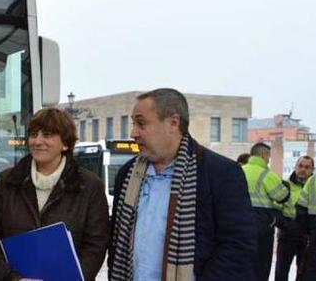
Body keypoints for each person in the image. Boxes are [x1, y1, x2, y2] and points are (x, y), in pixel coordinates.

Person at [109, 88, 256, 281]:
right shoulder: (128, 174)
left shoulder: (221, 173)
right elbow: (116, 242)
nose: (133, 132)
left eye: (141, 123)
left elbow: (238, 245)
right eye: (133, 123)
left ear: (173, 122)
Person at [0, 107, 109, 281]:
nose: (37, 141)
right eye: (33, 134)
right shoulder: (7, 181)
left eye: (47, 135)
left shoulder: (90, 186)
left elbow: (96, 245)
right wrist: (12, 279)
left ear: (65, 143)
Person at [242, 142, 291, 281]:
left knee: (241, 267)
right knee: (261, 268)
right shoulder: (267, 174)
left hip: (239, 227)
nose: (268, 160)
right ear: (264, 155)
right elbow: (282, 197)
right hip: (261, 228)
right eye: (268, 156)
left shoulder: (239, 170)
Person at [276, 156, 315, 281]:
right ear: (295, 167)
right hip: (287, 235)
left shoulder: (313, 186)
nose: (303, 169)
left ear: (312, 169)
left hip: (306, 237)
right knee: (281, 271)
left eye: (307, 167)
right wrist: (284, 225)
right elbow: (276, 208)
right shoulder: (285, 185)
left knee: (303, 272)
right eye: (300, 166)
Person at [297, 173, 316, 281]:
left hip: (314, 231)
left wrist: (308, 230)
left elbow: (301, 207)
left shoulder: (313, 180)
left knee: (312, 269)